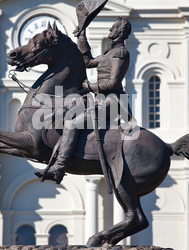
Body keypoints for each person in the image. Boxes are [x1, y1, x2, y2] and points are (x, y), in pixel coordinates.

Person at [35, 17, 133, 184]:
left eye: (114, 27)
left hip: (113, 102)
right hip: (101, 100)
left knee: (72, 124)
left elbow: (113, 83)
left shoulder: (120, 53)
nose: (111, 29)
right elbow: (88, 61)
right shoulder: (109, 53)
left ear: (121, 32)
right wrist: (82, 36)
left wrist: (89, 86)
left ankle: (59, 168)